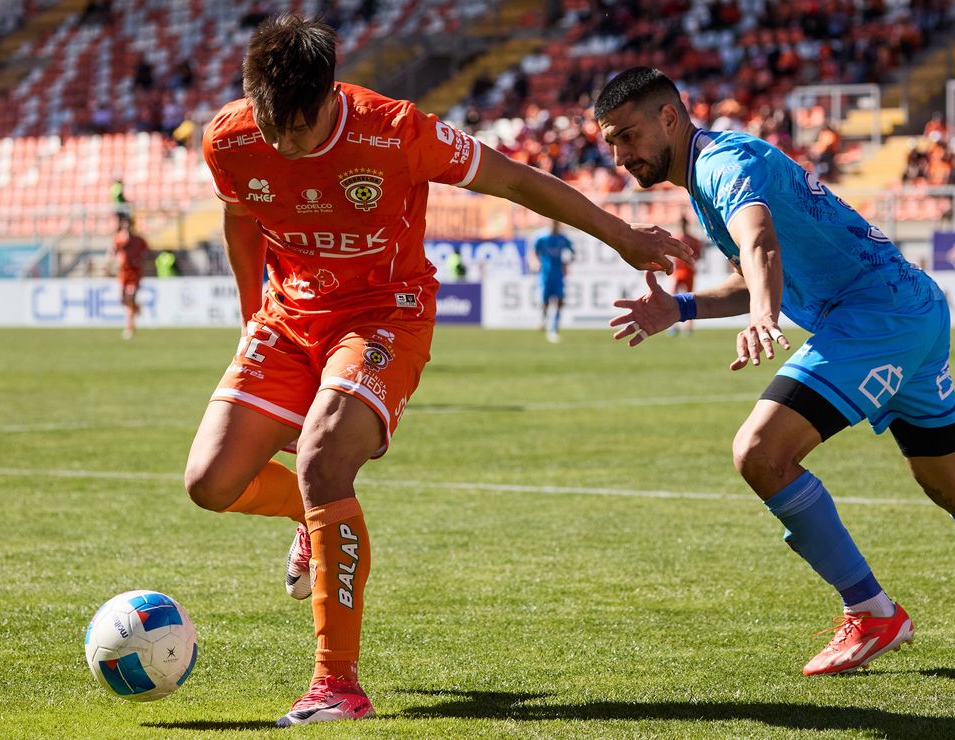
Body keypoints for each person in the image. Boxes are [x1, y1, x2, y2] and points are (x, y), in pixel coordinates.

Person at [186, 19, 685, 728]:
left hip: (384, 315)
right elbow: (240, 219)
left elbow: (515, 180)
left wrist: (625, 236)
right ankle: (308, 516)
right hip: (286, 318)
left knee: (325, 461)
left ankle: (337, 685)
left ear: (330, 96)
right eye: (273, 127)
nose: (285, 144)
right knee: (210, 482)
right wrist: (249, 320)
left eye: (298, 127)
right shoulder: (230, 137)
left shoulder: (395, 130)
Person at [599, 67, 955, 677]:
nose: (620, 155)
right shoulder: (712, 167)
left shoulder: (720, 166)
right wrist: (685, 307)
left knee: (760, 453)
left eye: (628, 135)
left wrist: (763, 315)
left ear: (669, 117)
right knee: (951, 483)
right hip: (910, 307)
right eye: (610, 142)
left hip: (874, 316)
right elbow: (757, 265)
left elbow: (761, 244)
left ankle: (873, 612)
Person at [530, 221, 574, 342]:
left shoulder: (563, 238)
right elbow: (533, 252)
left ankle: (554, 328)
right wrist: (535, 262)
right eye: (552, 223)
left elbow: (572, 251)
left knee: (560, 300)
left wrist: (567, 262)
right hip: (545, 274)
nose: (554, 225)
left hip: (558, 274)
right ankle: (543, 320)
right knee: (546, 300)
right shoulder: (541, 237)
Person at [110, 220, 148, 339]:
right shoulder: (119, 238)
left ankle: (129, 327)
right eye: (124, 227)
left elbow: (146, 252)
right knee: (123, 300)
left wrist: (140, 261)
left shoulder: (139, 241)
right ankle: (137, 307)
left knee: (130, 298)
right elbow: (114, 250)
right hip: (123, 274)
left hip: (134, 274)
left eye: (129, 226)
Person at [666, 217, 703, 336]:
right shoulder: (674, 238)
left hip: (689, 272)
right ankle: (673, 325)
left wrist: (690, 259)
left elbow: (699, 254)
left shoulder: (694, 240)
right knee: (672, 298)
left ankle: (688, 327)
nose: (682, 226)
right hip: (677, 272)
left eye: (683, 223)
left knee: (690, 299)